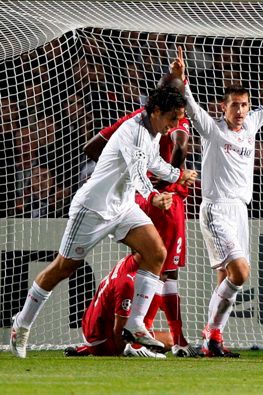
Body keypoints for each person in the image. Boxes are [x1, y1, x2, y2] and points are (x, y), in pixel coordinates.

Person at [10, 86, 198, 358]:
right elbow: (137, 174)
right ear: (156, 111)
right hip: (93, 209)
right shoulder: (132, 131)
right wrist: (154, 196)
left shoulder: (154, 131)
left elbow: (153, 161)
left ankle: (134, 324)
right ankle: (22, 324)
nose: (174, 125)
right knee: (63, 268)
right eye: (172, 118)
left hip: (122, 208)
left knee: (156, 252)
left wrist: (176, 174)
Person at [170, 43, 263, 357]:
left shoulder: (252, 124)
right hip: (216, 209)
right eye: (234, 105)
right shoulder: (212, 130)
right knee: (240, 273)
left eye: (244, 105)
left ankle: (214, 341)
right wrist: (182, 81)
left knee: (227, 277)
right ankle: (210, 334)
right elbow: (192, 106)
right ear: (223, 107)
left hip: (240, 211)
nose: (240, 111)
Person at [83, 75, 199, 358]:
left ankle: (143, 334)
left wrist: (118, 176)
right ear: (164, 109)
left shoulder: (138, 119)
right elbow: (181, 146)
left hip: (135, 197)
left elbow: (92, 147)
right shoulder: (175, 121)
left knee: (151, 261)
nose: (176, 121)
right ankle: (143, 338)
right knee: (162, 268)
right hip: (161, 200)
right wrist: (168, 184)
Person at [63, 254, 167, 358]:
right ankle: (134, 348)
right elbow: (119, 328)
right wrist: (120, 353)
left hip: (91, 335)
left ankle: (88, 349)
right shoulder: (126, 284)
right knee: (170, 341)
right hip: (102, 343)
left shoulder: (125, 263)